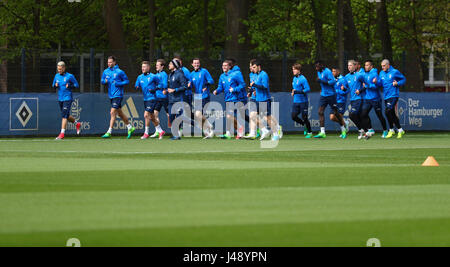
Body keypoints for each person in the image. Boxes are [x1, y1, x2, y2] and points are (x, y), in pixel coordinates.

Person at [101, 56, 134, 139]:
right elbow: (102, 80)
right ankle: (130, 127)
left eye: (111, 62)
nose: (109, 64)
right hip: (111, 95)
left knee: (112, 112)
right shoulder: (105, 71)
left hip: (118, 95)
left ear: (114, 62)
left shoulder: (120, 72)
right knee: (120, 113)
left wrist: (119, 83)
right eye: (108, 62)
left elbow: (127, 81)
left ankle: (109, 132)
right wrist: (104, 81)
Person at [314, 60, 347, 138]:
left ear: (322, 65)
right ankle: (322, 132)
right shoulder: (319, 72)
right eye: (315, 66)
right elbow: (322, 82)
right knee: (320, 112)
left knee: (336, 113)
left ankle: (343, 130)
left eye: (317, 66)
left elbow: (332, 82)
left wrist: (321, 81)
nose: (316, 68)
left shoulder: (327, 71)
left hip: (331, 95)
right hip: (323, 95)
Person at [213, 60, 245, 139]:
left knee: (230, 116)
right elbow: (220, 87)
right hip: (228, 99)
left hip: (236, 98)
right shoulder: (222, 76)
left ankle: (233, 131)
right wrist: (217, 91)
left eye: (226, 65)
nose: (224, 67)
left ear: (230, 66)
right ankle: (236, 131)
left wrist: (234, 89)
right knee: (229, 116)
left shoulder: (236, 74)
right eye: (223, 65)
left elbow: (243, 84)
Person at [376, 59, 407, 139]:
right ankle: (399, 130)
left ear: (388, 65)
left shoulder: (395, 72)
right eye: (381, 66)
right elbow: (380, 84)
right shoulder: (381, 73)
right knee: (391, 113)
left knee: (387, 111)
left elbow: (403, 79)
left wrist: (397, 83)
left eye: (383, 66)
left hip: (393, 95)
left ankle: (392, 129)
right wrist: (376, 82)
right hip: (386, 96)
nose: (382, 67)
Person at [135, 61, 165, 140]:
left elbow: (161, 84)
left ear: (148, 67)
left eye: (144, 67)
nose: (143, 68)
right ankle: (160, 130)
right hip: (145, 99)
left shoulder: (153, 76)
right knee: (152, 117)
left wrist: (155, 89)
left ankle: (146, 133)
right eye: (142, 67)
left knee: (146, 115)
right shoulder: (139, 77)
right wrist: (137, 87)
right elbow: (136, 85)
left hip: (152, 98)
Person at [52, 61, 82, 140]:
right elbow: (53, 85)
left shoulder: (70, 76)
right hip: (60, 98)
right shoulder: (56, 76)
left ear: (64, 68)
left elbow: (76, 85)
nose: (59, 71)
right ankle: (77, 124)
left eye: (60, 69)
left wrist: (70, 86)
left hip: (67, 98)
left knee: (64, 116)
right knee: (67, 115)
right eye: (58, 69)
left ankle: (62, 134)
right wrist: (55, 86)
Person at [361, 60, 388, 138]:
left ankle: (385, 130)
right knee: (363, 114)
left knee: (379, 116)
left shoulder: (375, 74)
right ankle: (370, 129)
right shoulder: (365, 74)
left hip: (375, 99)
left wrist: (368, 85)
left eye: (367, 65)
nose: (366, 67)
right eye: (365, 65)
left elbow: (377, 86)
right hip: (368, 99)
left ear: (371, 66)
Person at [190, 58, 215, 139]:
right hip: (197, 96)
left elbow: (211, 80)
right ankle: (207, 133)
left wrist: (206, 84)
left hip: (204, 96)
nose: (196, 64)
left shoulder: (204, 71)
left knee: (198, 114)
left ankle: (209, 127)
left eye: (198, 63)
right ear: (192, 64)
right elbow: (190, 85)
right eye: (195, 63)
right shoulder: (191, 74)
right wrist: (188, 85)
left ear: (199, 64)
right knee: (198, 116)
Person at [344, 60, 369, 140]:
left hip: (359, 99)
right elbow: (347, 89)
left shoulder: (359, 75)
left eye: (350, 65)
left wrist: (360, 90)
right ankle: (365, 132)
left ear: (355, 66)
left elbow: (367, 85)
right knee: (357, 116)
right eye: (348, 65)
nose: (349, 67)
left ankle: (361, 130)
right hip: (352, 99)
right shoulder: (346, 76)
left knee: (352, 115)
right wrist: (344, 89)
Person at [167, 59, 189, 140]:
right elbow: (170, 87)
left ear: (175, 65)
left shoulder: (180, 74)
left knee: (179, 118)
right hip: (171, 99)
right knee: (171, 117)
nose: (169, 65)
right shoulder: (170, 75)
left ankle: (177, 134)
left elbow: (185, 86)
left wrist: (175, 90)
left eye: (170, 64)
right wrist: (166, 91)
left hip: (179, 99)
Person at [290, 63, 313, 138]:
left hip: (303, 101)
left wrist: (298, 92)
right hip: (296, 101)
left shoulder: (303, 79)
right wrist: (293, 92)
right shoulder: (294, 78)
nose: (293, 71)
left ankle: (309, 132)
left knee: (305, 117)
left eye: (295, 69)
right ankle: (304, 125)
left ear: (299, 70)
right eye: (293, 69)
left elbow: (308, 89)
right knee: (293, 116)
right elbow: (295, 89)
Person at [151, 59, 170, 138]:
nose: (156, 66)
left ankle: (178, 130)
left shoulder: (164, 74)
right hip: (157, 98)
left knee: (169, 115)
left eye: (158, 65)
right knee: (154, 115)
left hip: (164, 98)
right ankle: (158, 131)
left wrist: (156, 88)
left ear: (162, 66)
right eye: (156, 65)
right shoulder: (156, 75)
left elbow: (165, 85)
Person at [331, 67, 350, 138]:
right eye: (332, 71)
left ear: (338, 71)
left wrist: (342, 90)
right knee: (332, 117)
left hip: (341, 101)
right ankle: (345, 123)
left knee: (339, 116)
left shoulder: (343, 79)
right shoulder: (332, 80)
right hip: (334, 101)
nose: (333, 73)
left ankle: (343, 132)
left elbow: (347, 90)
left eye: (334, 71)